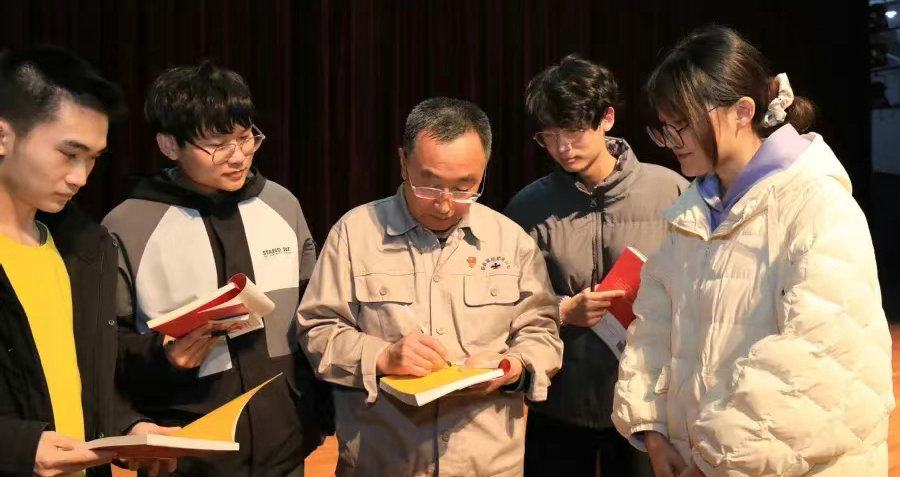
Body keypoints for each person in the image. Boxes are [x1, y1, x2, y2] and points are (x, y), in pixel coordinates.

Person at [612, 25, 894, 477]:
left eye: (681, 125)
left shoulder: (817, 204)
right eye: (664, 128)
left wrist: (714, 460)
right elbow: (652, 328)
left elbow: (820, 361)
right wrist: (652, 429)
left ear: (742, 111)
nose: (672, 141)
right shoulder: (691, 213)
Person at [297, 97, 564, 477]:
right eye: (429, 185)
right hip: (384, 462)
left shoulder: (512, 242)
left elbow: (541, 331)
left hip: (486, 464)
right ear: (403, 162)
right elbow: (317, 330)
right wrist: (382, 357)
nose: (444, 204)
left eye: (464, 187)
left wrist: (512, 367)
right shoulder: (355, 234)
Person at [102, 61, 330, 477]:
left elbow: (315, 316)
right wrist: (164, 356)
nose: (237, 156)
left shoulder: (282, 205)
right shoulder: (128, 224)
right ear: (169, 146)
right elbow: (103, 345)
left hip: (284, 446)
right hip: (185, 451)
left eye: (245, 138)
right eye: (217, 144)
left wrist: (316, 417)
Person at [505, 54, 686, 477]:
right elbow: (505, 303)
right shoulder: (529, 207)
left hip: (649, 406)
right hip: (560, 402)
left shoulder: (671, 191)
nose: (562, 148)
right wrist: (562, 310)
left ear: (607, 118)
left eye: (573, 131)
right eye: (549, 136)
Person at [0, 47, 177, 477]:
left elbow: (82, 381)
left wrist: (128, 429)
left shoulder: (87, 249)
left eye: (93, 159)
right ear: (3, 137)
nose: (80, 177)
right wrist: (18, 447)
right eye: (69, 153)